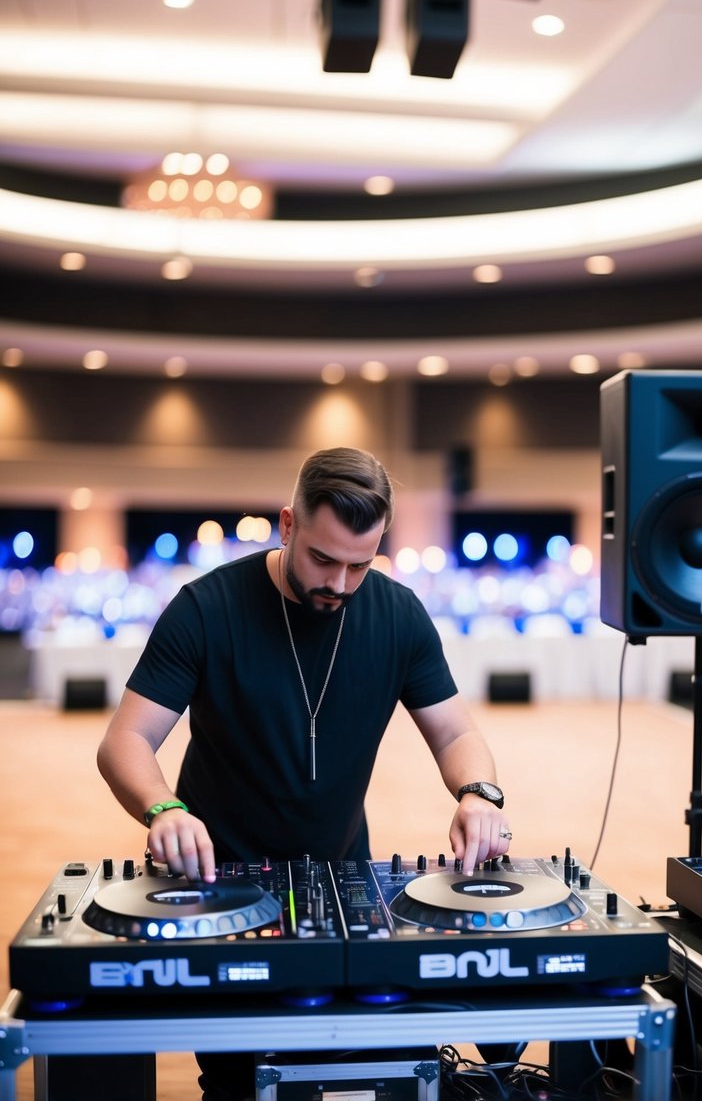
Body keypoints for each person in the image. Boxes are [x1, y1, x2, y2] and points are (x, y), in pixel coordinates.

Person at [97, 446, 511, 1101]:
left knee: (377, 1071)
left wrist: (478, 794)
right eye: (323, 559)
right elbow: (125, 740)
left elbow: (456, 730)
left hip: (346, 876)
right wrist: (162, 808)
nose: (340, 584)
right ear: (287, 525)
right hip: (222, 885)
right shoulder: (205, 609)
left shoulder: (398, 614)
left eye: (360, 563)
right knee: (241, 1081)